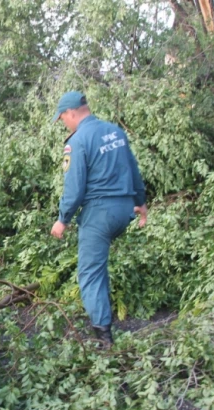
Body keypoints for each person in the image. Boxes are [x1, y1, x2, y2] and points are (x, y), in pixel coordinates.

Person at [50, 91, 148, 346]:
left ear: (71, 113)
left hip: (100, 213)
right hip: (124, 210)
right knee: (98, 266)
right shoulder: (114, 131)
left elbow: (74, 187)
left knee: (90, 273)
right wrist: (141, 204)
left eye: (62, 119)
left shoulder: (78, 140)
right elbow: (133, 169)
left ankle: (104, 339)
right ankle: (103, 323)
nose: (64, 124)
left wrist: (63, 219)